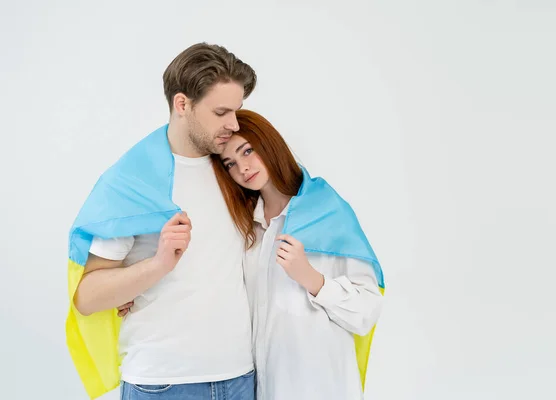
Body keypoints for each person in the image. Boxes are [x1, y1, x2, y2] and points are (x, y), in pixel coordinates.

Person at [65, 43, 258, 400]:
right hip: (163, 383)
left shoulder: (239, 170)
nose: (233, 124)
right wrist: (157, 266)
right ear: (182, 104)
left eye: (237, 111)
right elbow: (87, 297)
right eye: (221, 112)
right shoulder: (132, 182)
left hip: (241, 376)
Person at [211, 109, 385, 400]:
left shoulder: (327, 211)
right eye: (230, 163)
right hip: (261, 388)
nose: (243, 167)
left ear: (269, 144)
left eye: (248, 151)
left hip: (321, 388)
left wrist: (312, 279)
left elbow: (366, 312)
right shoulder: (246, 229)